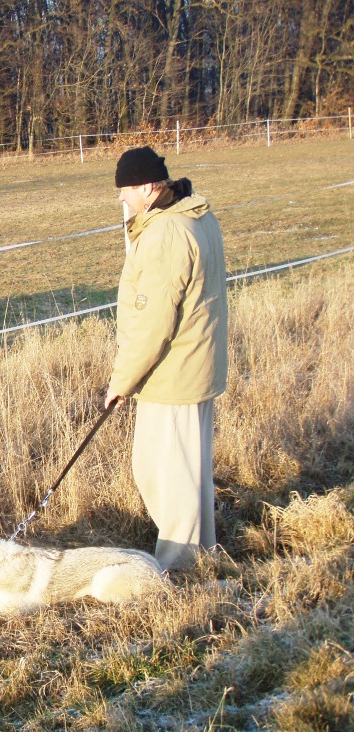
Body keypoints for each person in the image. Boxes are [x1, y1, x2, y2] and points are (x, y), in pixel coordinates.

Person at [103, 146, 228, 571]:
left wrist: (121, 381)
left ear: (146, 188)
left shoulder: (165, 234)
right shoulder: (195, 217)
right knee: (187, 472)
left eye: (124, 190)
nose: (120, 199)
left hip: (174, 374)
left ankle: (179, 569)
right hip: (194, 367)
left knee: (164, 475)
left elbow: (153, 322)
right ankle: (201, 555)